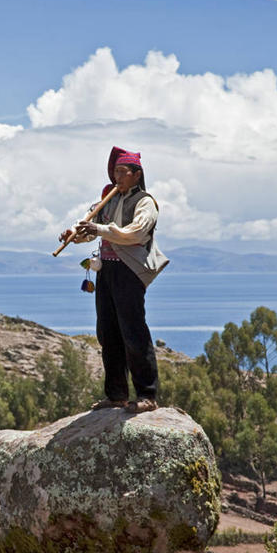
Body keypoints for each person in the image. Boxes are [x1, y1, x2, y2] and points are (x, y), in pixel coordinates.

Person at [58, 145, 169, 413]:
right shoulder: (108, 198)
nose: (116, 176)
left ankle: (147, 395)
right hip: (106, 270)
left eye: (122, 171)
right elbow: (90, 229)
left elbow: (136, 233)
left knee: (133, 331)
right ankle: (116, 395)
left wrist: (99, 228)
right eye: (115, 171)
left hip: (129, 272)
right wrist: (74, 233)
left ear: (136, 174)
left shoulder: (144, 202)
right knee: (108, 332)